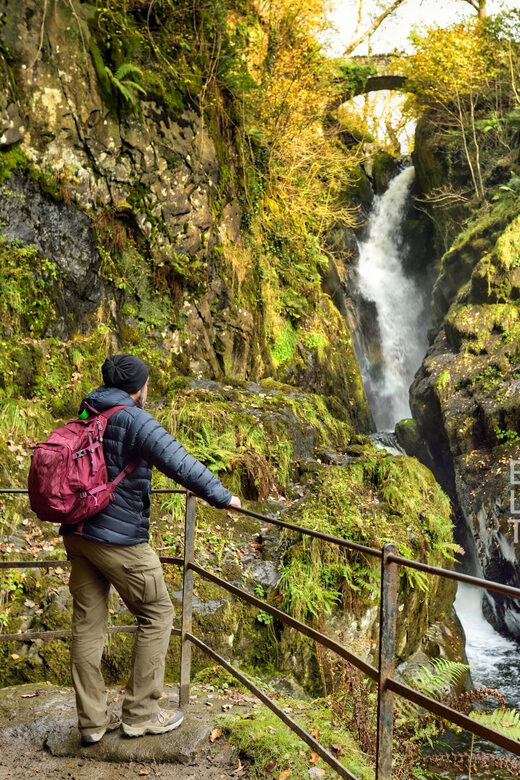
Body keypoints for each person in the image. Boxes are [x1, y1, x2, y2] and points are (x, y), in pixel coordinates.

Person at [62, 354, 241, 745]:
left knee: (88, 626)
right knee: (157, 612)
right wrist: (222, 496)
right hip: (117, 538)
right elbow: (179, 461)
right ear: (138, 387)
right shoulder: (133, 418)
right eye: (147, 384)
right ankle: (141, 714)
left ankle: (92, 723)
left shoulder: (87, 411)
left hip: (78, 533)